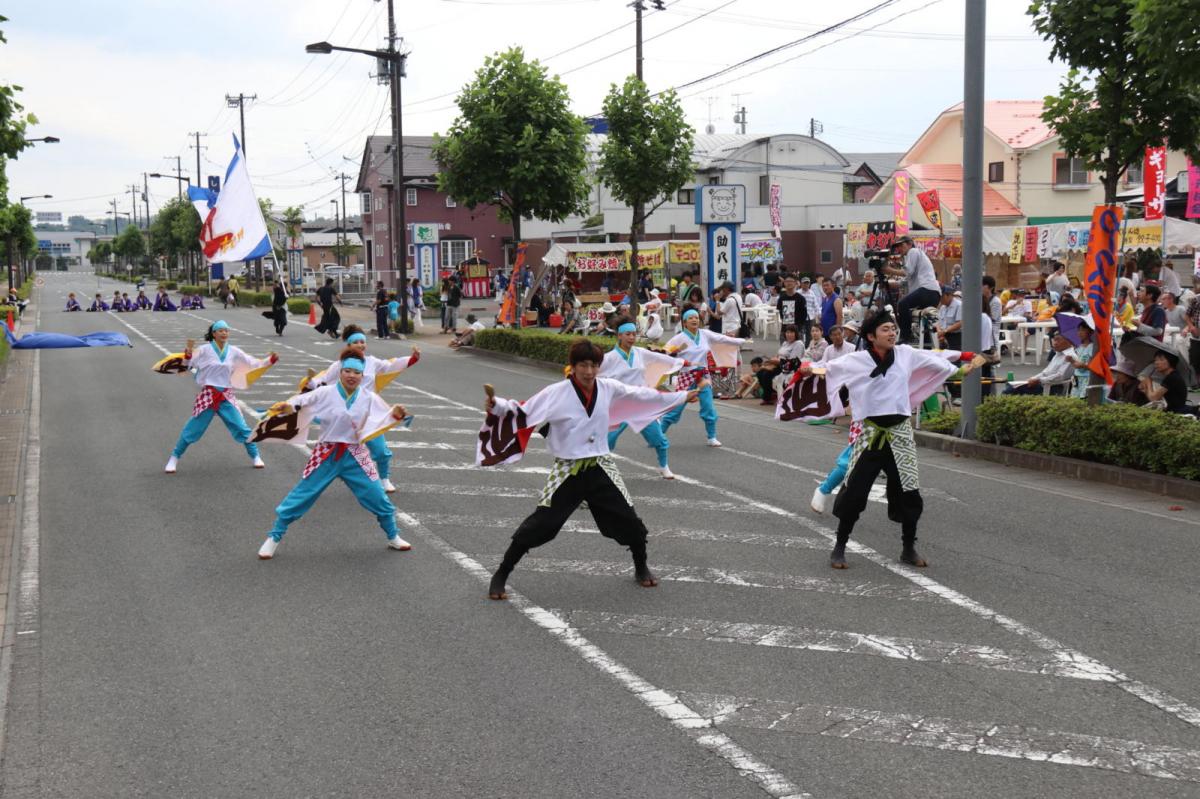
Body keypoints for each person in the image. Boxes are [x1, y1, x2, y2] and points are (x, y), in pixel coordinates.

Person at [481, 339, 701, 600]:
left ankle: (641, 566)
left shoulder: (608, 388)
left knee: (630, 521)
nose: (588, 371)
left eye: (594, 365)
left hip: (600, 465)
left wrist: (680, 396)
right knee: (540, 524)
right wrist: (496, 406)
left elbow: (641, 395)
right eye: (583, 365)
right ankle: (502, 573)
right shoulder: (557, 392)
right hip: (568, 469)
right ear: (572, 366)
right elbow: (524, 410)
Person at [792, 312, 980, 568]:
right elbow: (825, 370)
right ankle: (839, 546)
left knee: (909, 491)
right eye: (885, 329)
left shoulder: (905, 354)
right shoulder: (855, 360)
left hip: (900, 432)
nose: (892, 333)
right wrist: (806, 369)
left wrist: (963, 358)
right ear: (871, 336)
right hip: (870, 433)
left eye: (893, 329)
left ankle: (908, 548)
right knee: (854, 491)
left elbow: (935, 358)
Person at [256, 350, 410, 560]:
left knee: (378, 496)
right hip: (327, 453)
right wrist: (287, 406)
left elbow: (384, 416)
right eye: (347, 370)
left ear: (363, 376)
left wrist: (397, 414)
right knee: (302, 495)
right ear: (340, 372)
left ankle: (393, 536)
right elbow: (301, 401)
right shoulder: (325, 392)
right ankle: (273, 537)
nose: (351, 375)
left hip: (355, 453)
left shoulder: (368, 397)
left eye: (357, 372)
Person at [307, 326, 419, 493]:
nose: (360, 345)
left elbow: (392, 365)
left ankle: (384, 479)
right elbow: (321, 381)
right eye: (356, 342)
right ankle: (318, 479)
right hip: (345, 415)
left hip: (369, 414)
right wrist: (310, 381)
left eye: (363, 342)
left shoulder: (372, 362)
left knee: (381, 451)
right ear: (348, 345)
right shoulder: (339, 366)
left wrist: (412, 358)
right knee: (333, 451)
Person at [164, 321, 277, 474]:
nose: (224, 333)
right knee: (192, 429)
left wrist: (269, 360)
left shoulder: (234, 351)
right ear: (214, 333)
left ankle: (255, 456)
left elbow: (252, 362)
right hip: (209, 395)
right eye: (221, 330)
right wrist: (188, 355)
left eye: (227, 331)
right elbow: (188, 365)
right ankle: (174, 458)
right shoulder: (204, 350)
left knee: (242, 428)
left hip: (226, 395)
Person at [601, 321, 688, 479]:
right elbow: (593, 374)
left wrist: (681, 362)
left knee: (658, 438)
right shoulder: (608, 358)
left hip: (641, 403)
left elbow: (660, 358)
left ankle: (663, 466)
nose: (631, 337)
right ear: (619, 335)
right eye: (627, 334)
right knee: (608, 440)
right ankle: (601, 469)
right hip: (619, 405)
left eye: (634, 334)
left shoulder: (640, 352)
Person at [661, 308, 748, 447]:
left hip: (703, 376)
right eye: (690, 318)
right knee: (676, 409)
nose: (694, 320)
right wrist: (673, 353)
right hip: (687, 376)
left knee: (708, 407)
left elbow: (722, 338)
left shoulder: (704, 334)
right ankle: (659, 434)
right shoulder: (679, 338)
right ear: (684, 322)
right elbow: (665, 352)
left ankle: (711, 437)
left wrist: (740, 340)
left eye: (696, 317)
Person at [883, 235, 941, 344]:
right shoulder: (914, 256)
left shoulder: (913, 251)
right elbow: (904, 282)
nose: (899, 248)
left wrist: (888, 269)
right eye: (897, 246)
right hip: (933, 293)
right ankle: (927, 340)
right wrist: (887, 284)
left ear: (909, 243)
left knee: (902, 304)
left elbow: (907, 272)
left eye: (901, 245)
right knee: (919, 317)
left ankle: (906, 336)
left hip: (927, 290)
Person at [1003, 332, 1077, 395]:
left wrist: (1039, 380)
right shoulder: (1058, 354)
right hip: (1044, 383)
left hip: (1053, 387)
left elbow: (1060, 376)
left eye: (1058, 340)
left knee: (1011, 390)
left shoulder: (1070, 356)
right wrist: (1034, 378)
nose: (1055, 343)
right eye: (1054, 340)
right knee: (1011, 385)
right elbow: (1046, 372)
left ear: (1069, 341)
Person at [753, 324, 805, 404]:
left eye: (791, 332)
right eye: (787, 332)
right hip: (779, 365)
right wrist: (772, 360)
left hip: (788, 367)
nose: (789, 335)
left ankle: (767, 398)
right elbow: (779, 354)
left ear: (796, 333)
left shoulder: (798, 344)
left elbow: (793, 361)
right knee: (760, 373)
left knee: (766, 374)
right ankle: (771, 394)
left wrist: (776, 361)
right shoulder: (785, 343)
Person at [1067, 319, 1095, 398]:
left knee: (1083, 399)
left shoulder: (1092, 347)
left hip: (1087, 378)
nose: (1080, 332)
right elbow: (1076, 362)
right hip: (1077, 377)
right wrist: (1071, 360)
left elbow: (1092, 365)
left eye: (1083, 330)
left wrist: (1083, 365)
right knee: (1074, 399)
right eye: (1078, 330)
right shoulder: (1078, 347)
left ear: (1090, 332)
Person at [775, 275, 808, 342]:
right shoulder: (781, 298)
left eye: (791, 281)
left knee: (798, 350)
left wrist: (799, 327)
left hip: (797, 329)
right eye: (787, 281)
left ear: (796, 283)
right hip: (785, 329)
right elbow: (781, 313)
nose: (788, 283)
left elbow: (804, 315)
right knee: (784, 351)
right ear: (784, 283)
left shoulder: (801, 298)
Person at [934, 285, 963, 351]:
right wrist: (939, 332)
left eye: (942, 297)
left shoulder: (959, 305)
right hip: (944, 338)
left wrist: (944, 331)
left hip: (956, 337)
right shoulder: (942, 307)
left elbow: (960, 323)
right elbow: (938, 322)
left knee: (955, 359)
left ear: (949, 295)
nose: (940, 299)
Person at [1185, 292, 1200, 387]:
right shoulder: (1196, 299)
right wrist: (1191, 326)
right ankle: (1197, 382)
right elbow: (1187, 315)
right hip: (1197, 335)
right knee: (1195, 359)